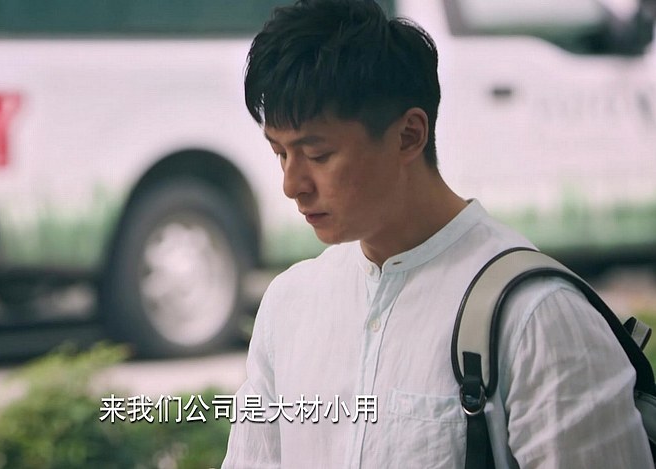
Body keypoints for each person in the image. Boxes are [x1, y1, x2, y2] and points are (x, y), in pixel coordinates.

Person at [221, 0, 653, 467]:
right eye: (280, 153)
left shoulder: (538, 318)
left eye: (318, 155)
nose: (292, 185)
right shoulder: (289, 306)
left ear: (409, 135)